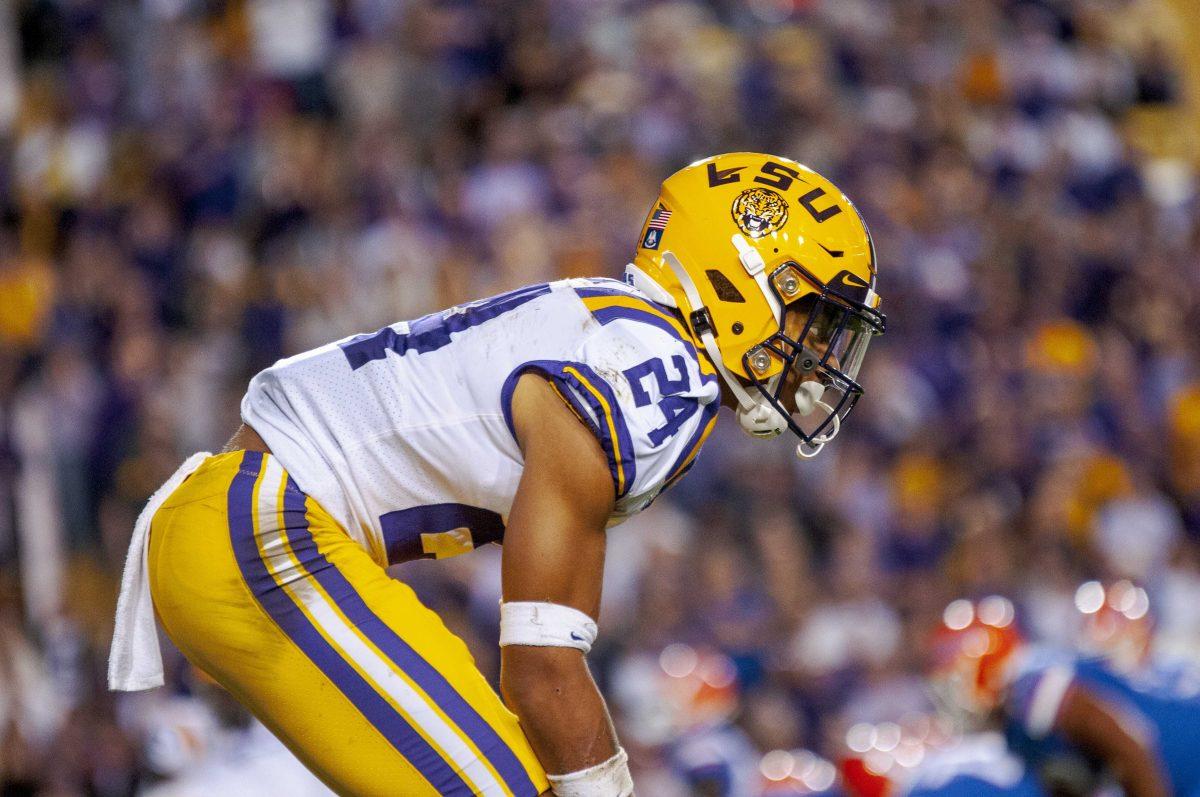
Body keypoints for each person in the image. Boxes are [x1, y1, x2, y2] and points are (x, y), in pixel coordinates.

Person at [108, 152, 885, 796]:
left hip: (244, 526)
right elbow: (541, 668)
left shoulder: (624, 331)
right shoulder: (655, 372)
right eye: (812, 315)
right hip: (263, 533)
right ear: (740, 282)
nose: (820, 349)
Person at [930, 596, 1200, 797]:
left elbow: (1129, 741)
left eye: (953, 680)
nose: (950, 698)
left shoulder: (1027, 684)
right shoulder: (1016, 728)